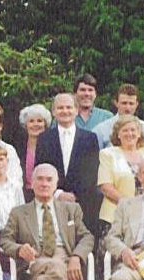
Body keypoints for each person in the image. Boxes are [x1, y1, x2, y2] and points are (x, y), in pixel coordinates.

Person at [34, 93, 102, 235]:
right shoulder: (44, 138)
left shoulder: (89, 138)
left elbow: (92, 172)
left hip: (83, 203)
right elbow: (40, 169)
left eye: (69, 107)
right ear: (53, 112)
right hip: (52, 201)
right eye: (60, 108)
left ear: (76, 110)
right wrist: (58, 193)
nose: (65, 111)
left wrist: (74, 195)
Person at [97, 115, 144, 236]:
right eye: (125, 130)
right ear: (118, 134)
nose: (129, 134)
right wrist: (131, 206)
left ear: (139, 133)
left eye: (133, 130)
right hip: (115, 216)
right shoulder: (108, 154)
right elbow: (106, 187)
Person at [92, 84, 144, 149]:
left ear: (137, 104)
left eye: (131, 103)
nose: (127, 108)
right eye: (124, 103)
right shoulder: (101, 130)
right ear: (116, 103)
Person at [15, 103, 52, 201]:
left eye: (39, 121)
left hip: (46, 194)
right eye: (31, 121)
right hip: (24, 195)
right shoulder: (18, 146)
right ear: (26, 125)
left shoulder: (52, 145)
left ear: (45, 124)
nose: (35, 124)